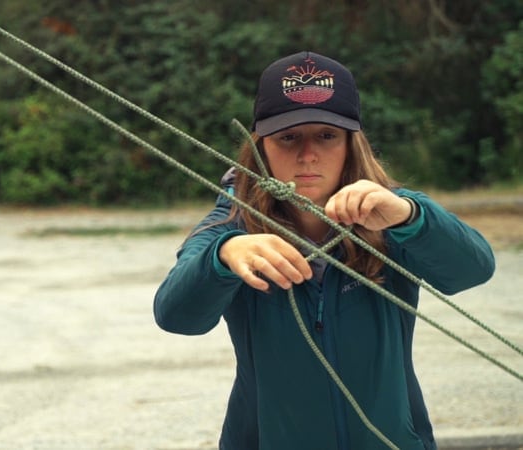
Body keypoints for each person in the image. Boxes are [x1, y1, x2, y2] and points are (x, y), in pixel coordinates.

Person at [153, 51, 495, 450]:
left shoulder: (390, 214)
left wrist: (410, 216)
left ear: (353, 144)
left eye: (327, 135)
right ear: (260, 145)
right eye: (288, 137)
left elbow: (474, 270)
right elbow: (175, 317)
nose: (308, 154)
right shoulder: (231, 227)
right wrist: (222, 258)